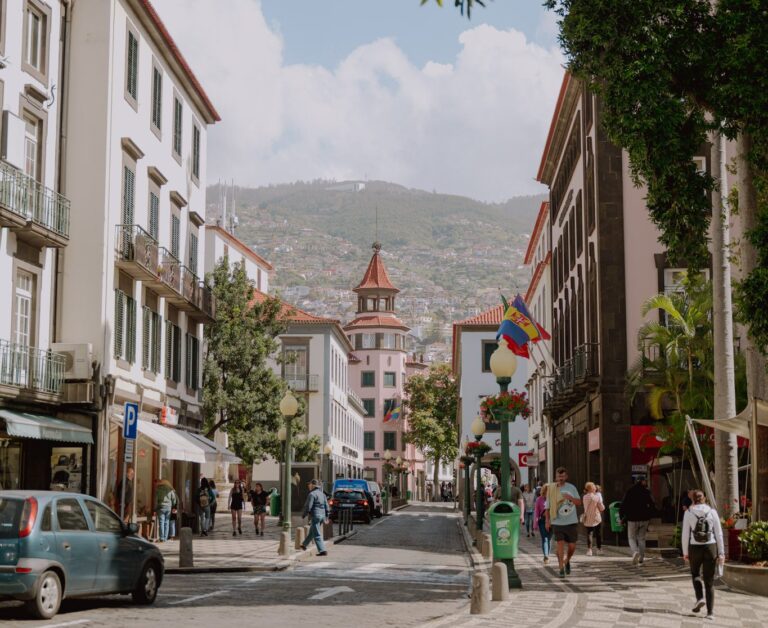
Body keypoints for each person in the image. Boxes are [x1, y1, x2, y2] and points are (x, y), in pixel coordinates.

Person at [682, 489, 724, 621]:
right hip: (710, 547)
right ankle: (710, 613)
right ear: (704, 498)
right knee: (709, 581)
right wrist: (721, 552)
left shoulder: (688, 513)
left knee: (695, 574)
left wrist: (685, 552)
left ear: (692, 500)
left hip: (695, 547)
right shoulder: (712, 512)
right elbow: (719, 534)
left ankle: (700, 598)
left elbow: (685, 535)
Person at [545, 467, 582, 578]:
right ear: (556, 477)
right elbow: (547, 507)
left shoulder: (571, 488)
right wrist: (547, 521)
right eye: (558, 476)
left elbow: (579, 502)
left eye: (562, 476)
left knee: (572, 546)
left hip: (571, 521)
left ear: (566, 477)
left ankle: (567, 561)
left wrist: (570, 498)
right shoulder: (551, 489)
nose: (560, 478)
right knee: (560, 544)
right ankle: (561, 568)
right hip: (557, 521)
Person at [620, 476, 656, 565]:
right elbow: (652, 504)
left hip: (632, 519)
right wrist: (650, 516)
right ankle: (641, 557)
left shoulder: (630, 491)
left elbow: (623, 505)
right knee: (641, 538)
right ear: (642, 482)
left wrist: (622, 518)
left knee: (631, 537)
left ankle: (635, 552)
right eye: (645, 481)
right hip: (644, 519)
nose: (646, 482)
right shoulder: (646, 491)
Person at [300, 479, 330, 556]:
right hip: (322, 516)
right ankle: (304, 545)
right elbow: (326, 506)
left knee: (316, 533)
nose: (308, 486)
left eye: (309, 484)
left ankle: (322, 550)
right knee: (312, 531)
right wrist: (327, 516)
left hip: (316, 515)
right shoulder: (322, 494)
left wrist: (304, 514)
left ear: (313, 485)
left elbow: (308, 506)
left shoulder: (312, 494)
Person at [582, 481, 605, 556]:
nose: (595, 488)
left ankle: (589, 550)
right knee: (598, 534)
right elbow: (601, 508)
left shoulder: (584, 497)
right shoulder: (596, 497)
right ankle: (599, 549)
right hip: (596, 517)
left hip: (588, 517)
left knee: (589, 534)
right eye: (594, 487)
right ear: (591, 488)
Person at [154, 478, 178, 543]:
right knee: (166, 522)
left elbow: (156, 500)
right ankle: (165, 537)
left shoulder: (158, 489)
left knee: (161, 522)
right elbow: (174, 499)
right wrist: (173, 506)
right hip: (168, 508)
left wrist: (155, 509)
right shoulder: (170, 489)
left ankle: (161, 538)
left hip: (161, 507)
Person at [534, 484, 552, 563]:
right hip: (542, 521)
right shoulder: (539, 499)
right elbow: (536, 512)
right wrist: (535, 523)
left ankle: (547, 554)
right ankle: (546, 556)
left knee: (549, 539)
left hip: (552, 521)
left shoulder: (553, 499)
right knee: (545, 538)